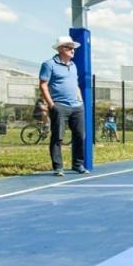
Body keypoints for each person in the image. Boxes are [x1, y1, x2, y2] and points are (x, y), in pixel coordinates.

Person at [39, 35, 87, 176]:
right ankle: (58, 167)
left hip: (77, 106)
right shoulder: (49, 64)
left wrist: (81, 101)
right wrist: (51, 105)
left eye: (73, 48)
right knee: (58, 137)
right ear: (60, 49)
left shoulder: (73, 65)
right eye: (69, 47)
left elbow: (75, 84)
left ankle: (78, 165)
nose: (72, 50)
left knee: (80, 136)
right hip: (59, 105)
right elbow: (43, 85)